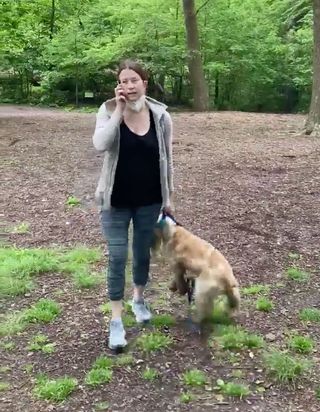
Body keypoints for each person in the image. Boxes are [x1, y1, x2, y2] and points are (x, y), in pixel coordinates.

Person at [92, 59, 174, 350]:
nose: (128, 86)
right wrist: (118, 113)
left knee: (141, 253)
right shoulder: (108, 109)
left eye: (133, 81)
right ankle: (116, 321)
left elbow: (167, 160)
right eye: (123, 81)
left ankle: (138, 298)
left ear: (144, 84)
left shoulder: (161, 116)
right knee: (116, 257)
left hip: (149, 201)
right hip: (115, 201)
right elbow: (100, 144)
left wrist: (168, 198)